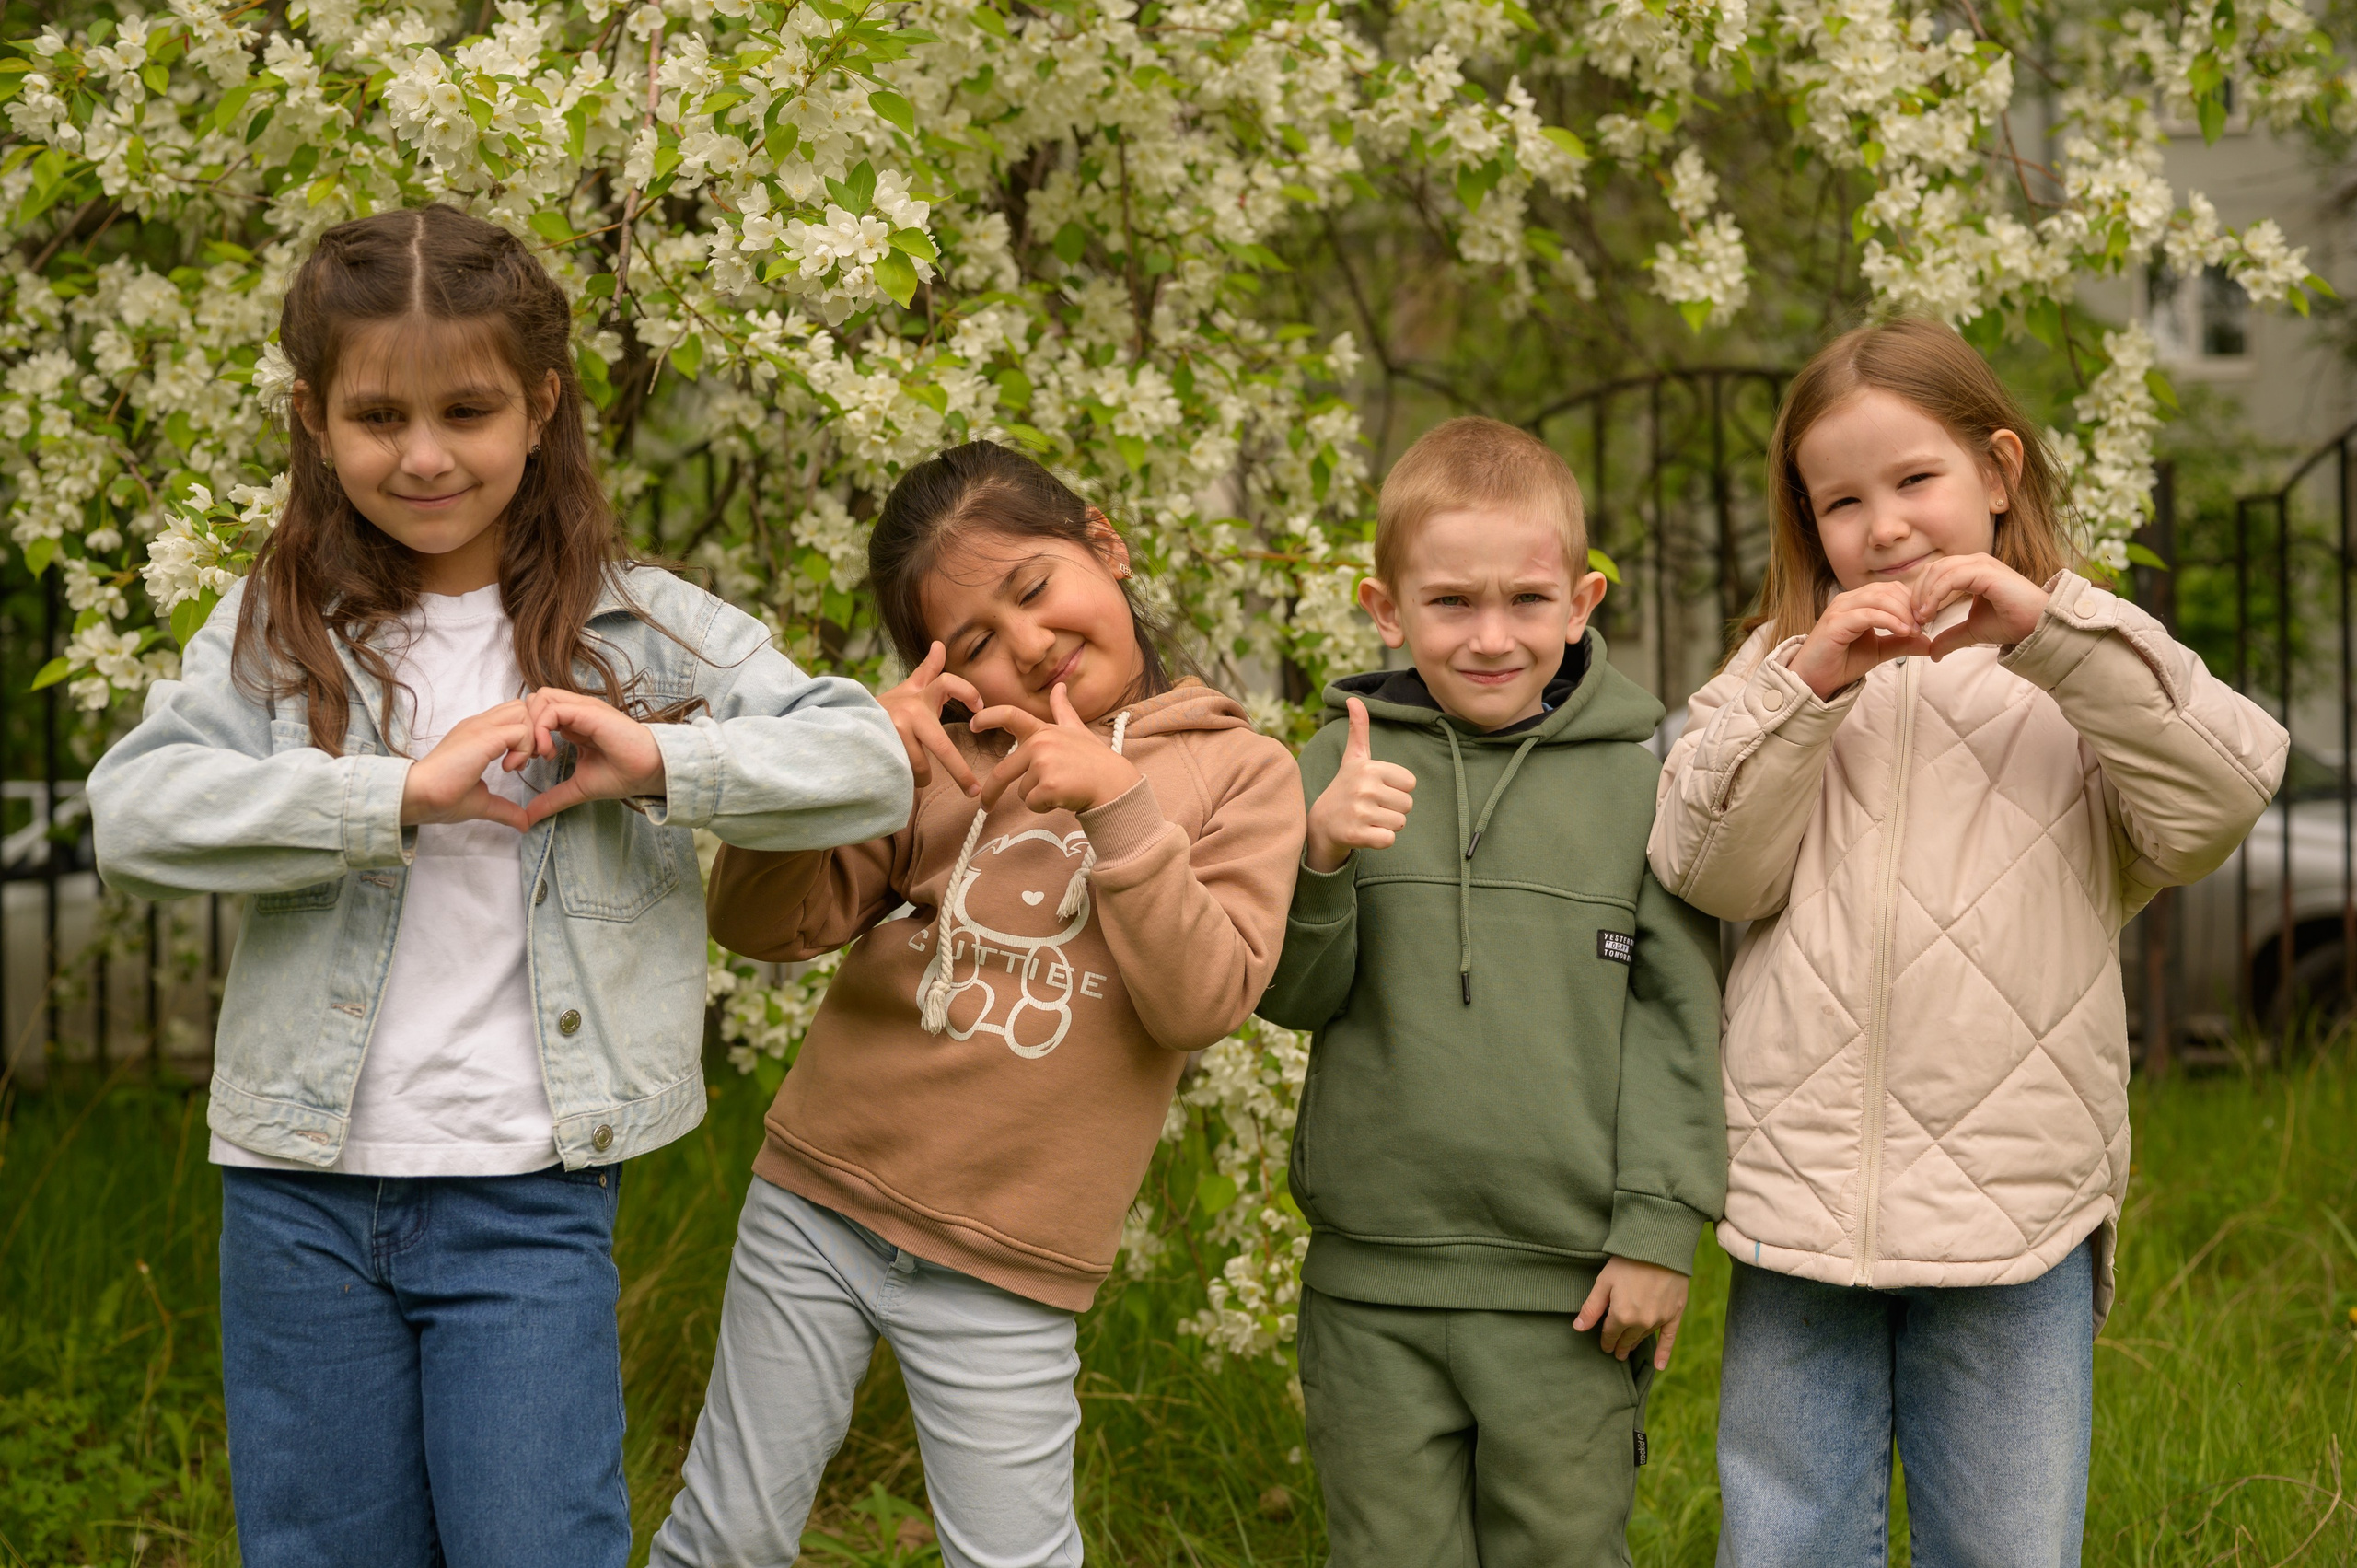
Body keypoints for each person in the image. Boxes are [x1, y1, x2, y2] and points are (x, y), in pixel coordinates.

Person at [84, 206, 911, 1568]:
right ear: (313, 415)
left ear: (540, 403)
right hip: (298, 1191)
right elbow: (135, 815)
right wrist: (398, 793)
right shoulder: (276, 631)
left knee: (539, 1540)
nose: (423, 455)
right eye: (376, 415)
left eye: (466, 410)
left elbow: (866, 763)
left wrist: (655, 759)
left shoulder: (640, 628)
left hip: (524, 1194)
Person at [1649, 318, 2287, 1567]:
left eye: (1915, 480)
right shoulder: (1779, 676)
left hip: (2018, 1208)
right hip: (1804, 1204)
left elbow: (2220, 794)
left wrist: (2046, 632)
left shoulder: (2088, 659)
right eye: (1842, 500)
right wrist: (1809, 688)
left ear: (1998, 473)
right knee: (1783, 1536)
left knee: (2006, 1542)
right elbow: (1706, 866)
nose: (1883, 526)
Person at [652, 440, 1306, 1567]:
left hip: (1010, 1256)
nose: (1030, 643)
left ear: (1104, 544)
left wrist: (1118, 807)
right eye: (982, 642)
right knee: (728, 1531)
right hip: (819, 1197)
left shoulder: (1241, 774)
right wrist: (846, 759)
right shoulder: (947, 761)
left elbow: (1202, 999)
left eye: (1037, 586)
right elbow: (763, 924)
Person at [1256, 415, 1727, 1567]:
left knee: (1563, 1549)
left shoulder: (1637, 783)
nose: (1489, 636)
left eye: (1525, 600)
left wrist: (1660, 1231)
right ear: (1384, 608)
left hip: (1570, 1290)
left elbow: (1679, 1017)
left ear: (1582, 601)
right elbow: (1293, 996)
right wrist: (1319, 856)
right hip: (1373, 1281)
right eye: (1450, 602)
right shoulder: (1337, 765)